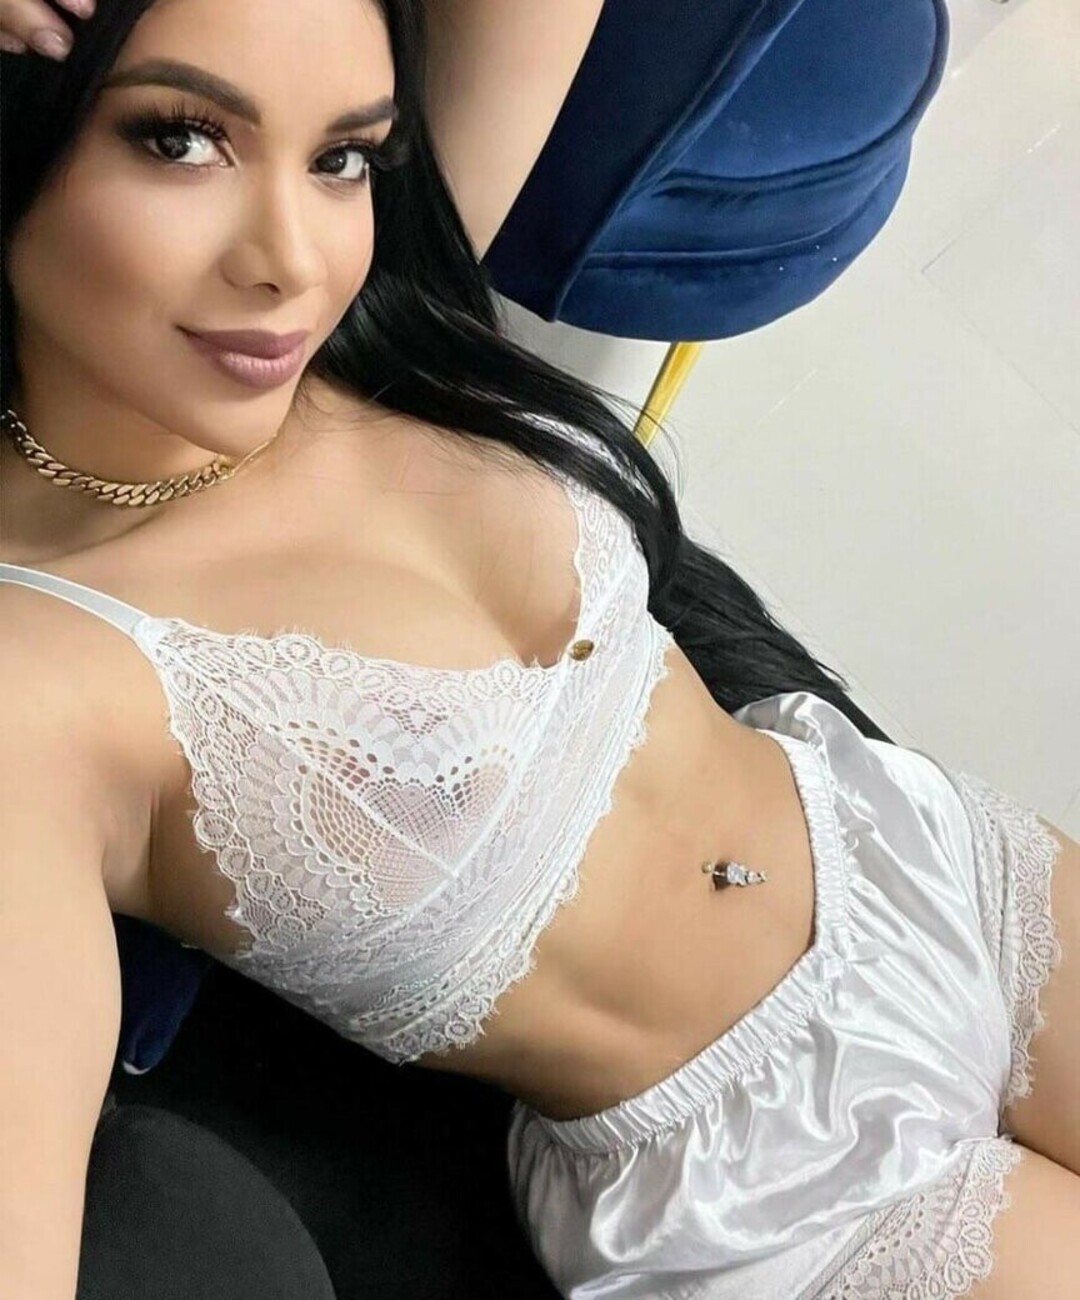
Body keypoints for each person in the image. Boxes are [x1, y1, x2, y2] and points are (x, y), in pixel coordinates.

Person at [1, 3, 1077, 1299]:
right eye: (179, 139)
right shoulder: (35, 691)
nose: (290, 256)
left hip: (921, 859)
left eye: (342, 154)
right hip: (773, 1184)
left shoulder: (372, 310)